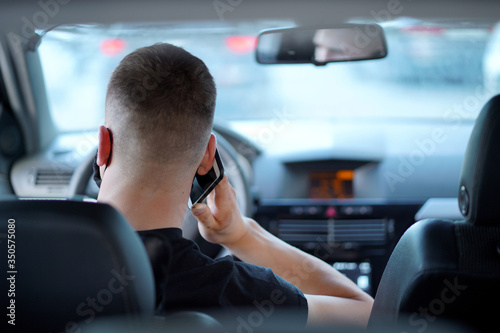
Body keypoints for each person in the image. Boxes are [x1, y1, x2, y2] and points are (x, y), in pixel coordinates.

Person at [93, 42, 373, 328]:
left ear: (103, 145)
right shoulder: (241, 296)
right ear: (208, 157)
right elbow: (368, 315)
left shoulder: (45, 260)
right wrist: (240, 235)